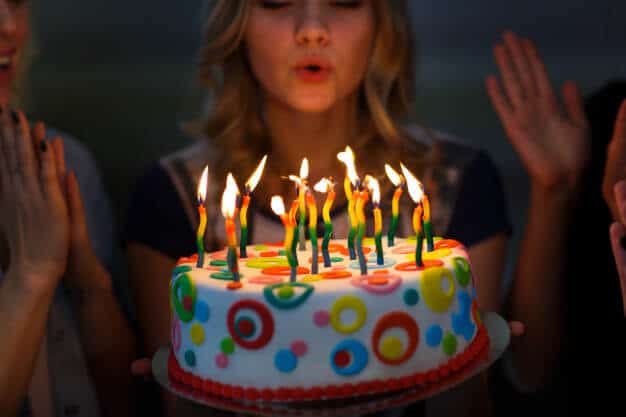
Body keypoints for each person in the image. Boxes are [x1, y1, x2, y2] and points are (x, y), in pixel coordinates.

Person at [125, 2, 578, 416]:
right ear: (236, 23)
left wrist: (553, 191)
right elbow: (180, 404)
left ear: (383, 23)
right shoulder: (176, 197)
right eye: (278, 1)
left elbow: (516, 378)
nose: (313, 30)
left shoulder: (450, 183)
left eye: (343, 0)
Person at [0, 1, 137, 416]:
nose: (7, 25)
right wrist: (32, 273)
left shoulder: (64, 162)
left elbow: (126, 398)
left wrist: (88, 281)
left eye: (17, 2)